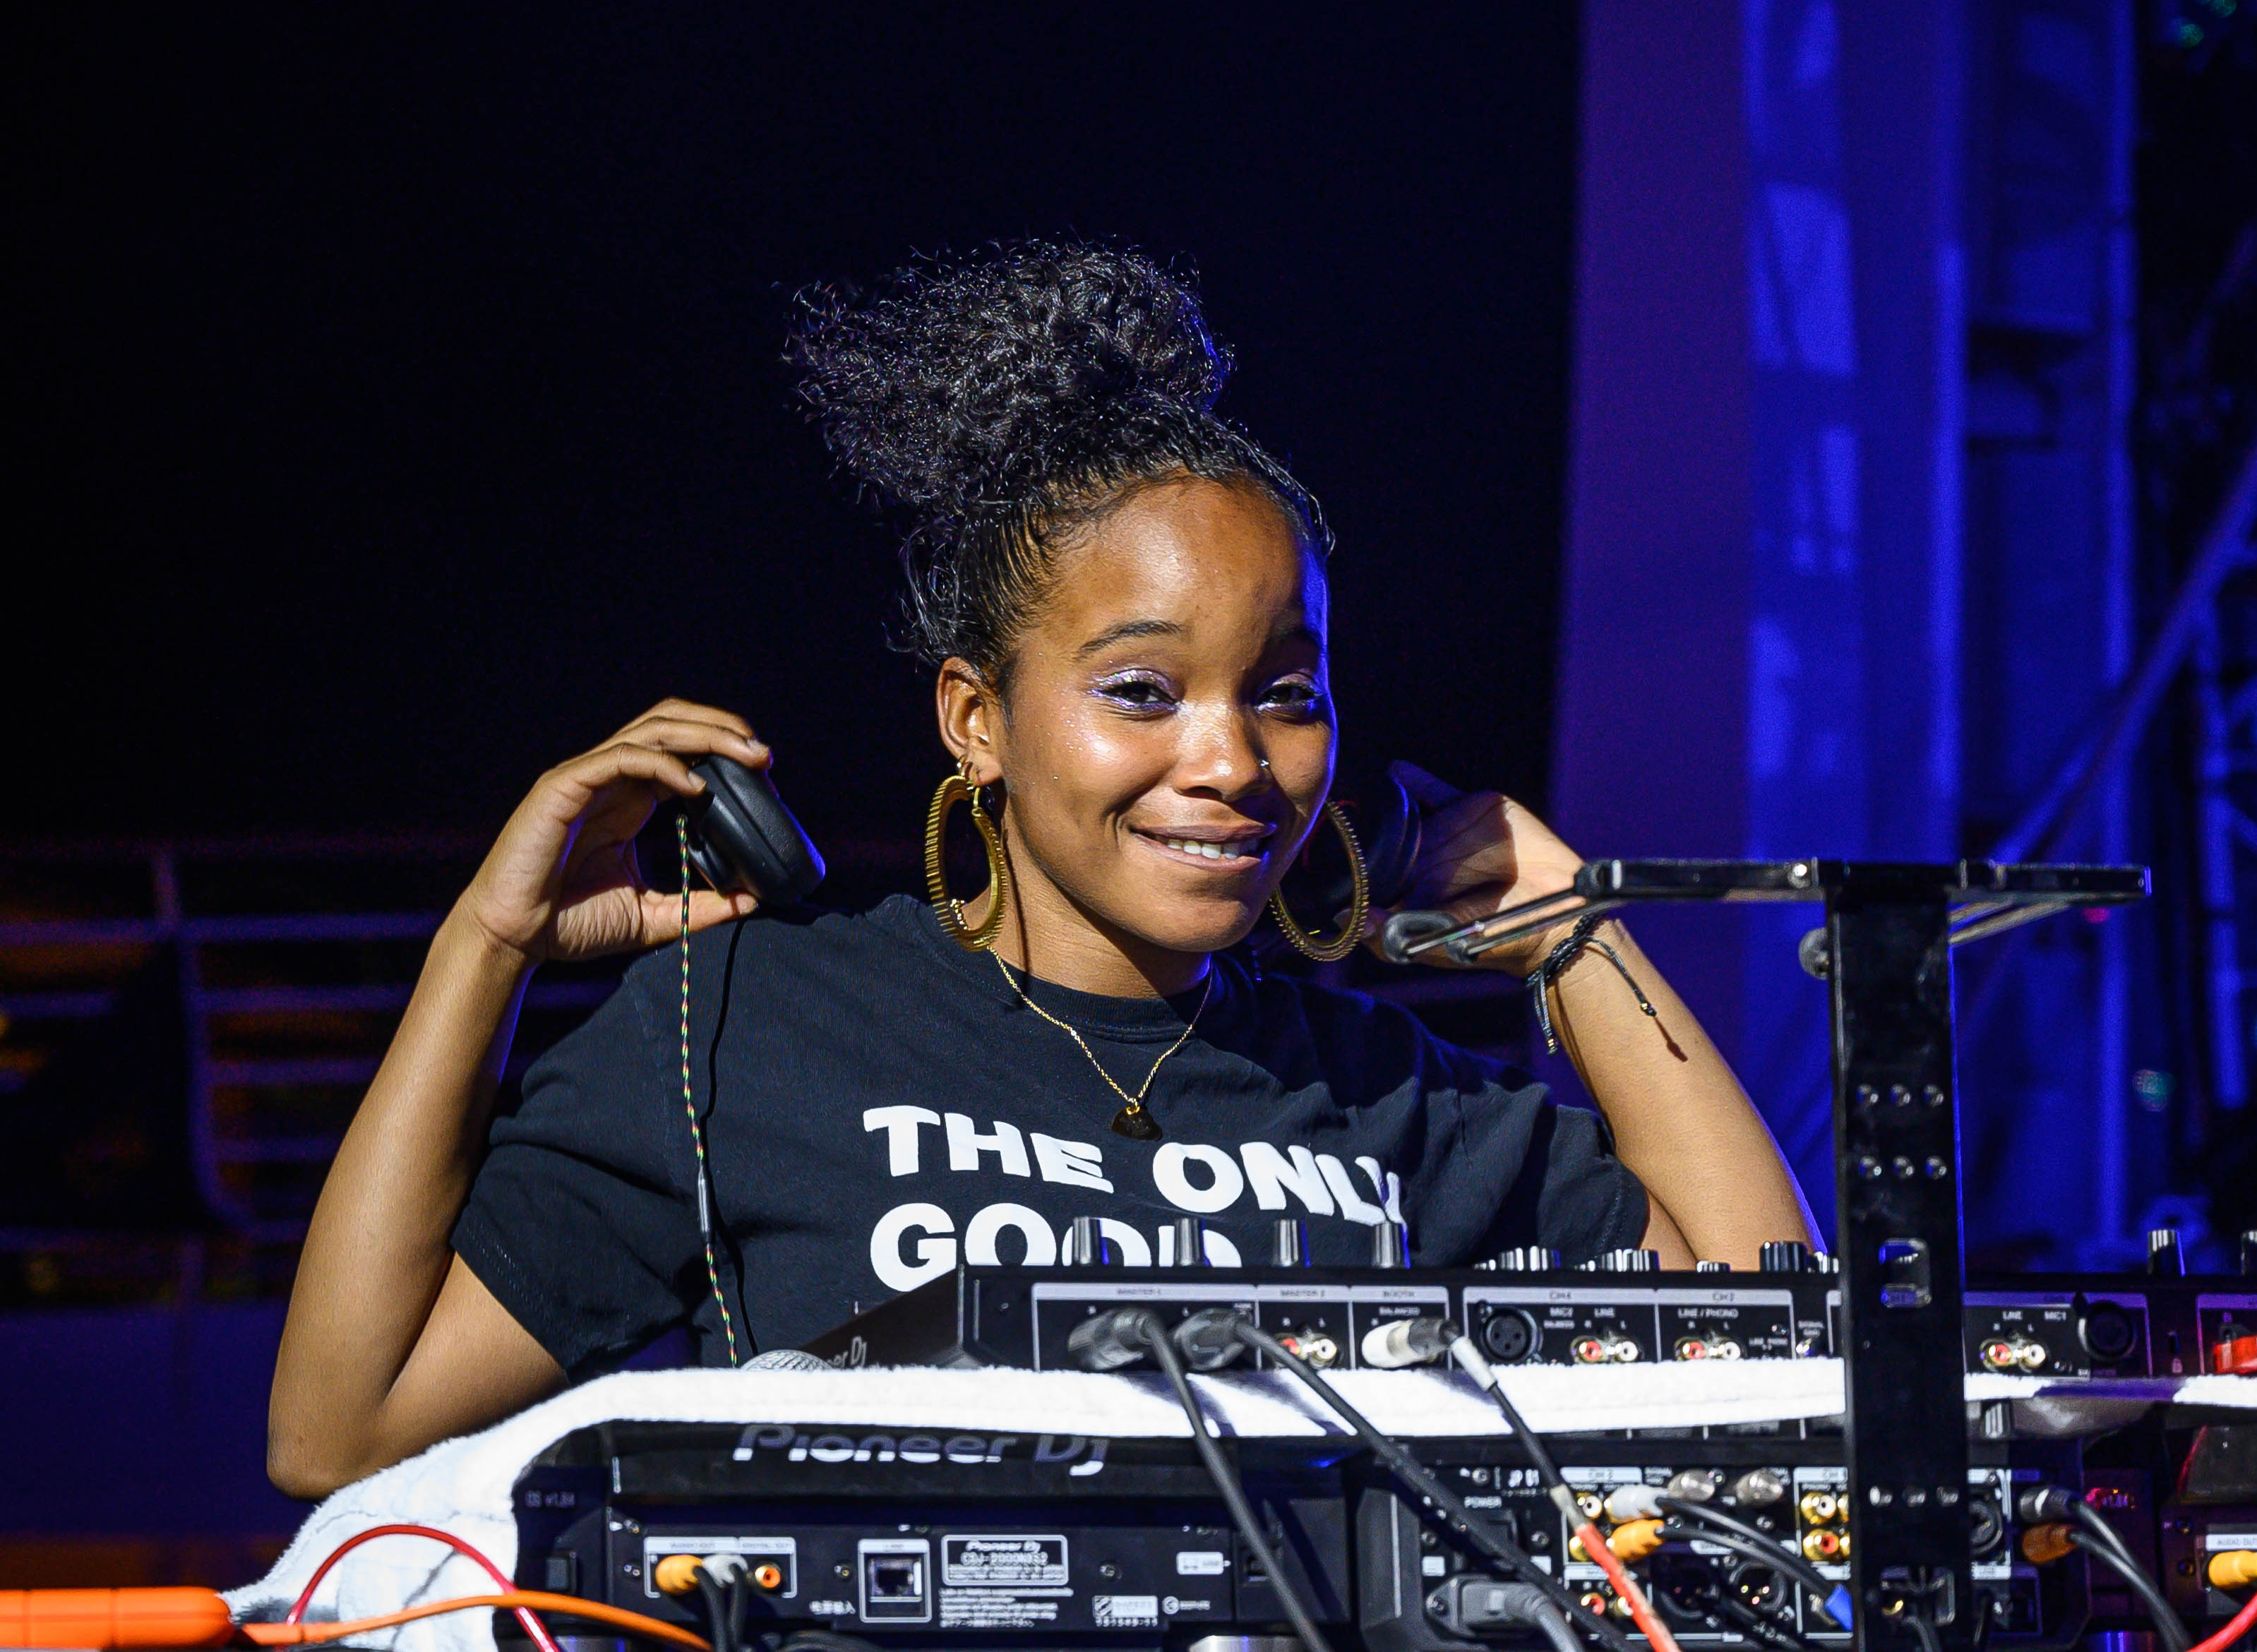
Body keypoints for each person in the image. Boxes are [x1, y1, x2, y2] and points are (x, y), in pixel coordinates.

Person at [266, 244, 1816, 1497]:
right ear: (977, 720)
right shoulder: (750, 1022)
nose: (1231, 759)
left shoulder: (1380, 1094)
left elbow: (1767, 1350)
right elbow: (339, 1435)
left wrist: (1579, 940)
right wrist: (486, 945)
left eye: (1285, 691)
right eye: (1141, 691)